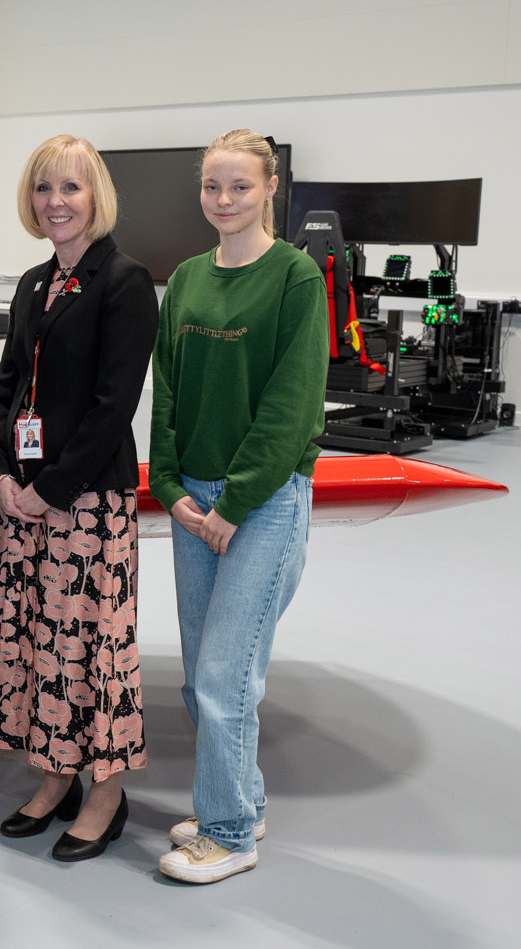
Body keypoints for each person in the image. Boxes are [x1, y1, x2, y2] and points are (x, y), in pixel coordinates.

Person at [149, 129, 328, 884]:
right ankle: (242, 803)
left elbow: (293, 403)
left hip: (265, 501)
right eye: (212, 187)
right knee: (202, 676)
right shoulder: (188, 277)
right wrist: (170, 488)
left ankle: (226, 834)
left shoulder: (295, 276)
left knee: (226, 675)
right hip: (194, 499)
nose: (224, 200)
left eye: (240, 186)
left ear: (271, 187)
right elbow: (166, 389)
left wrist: (238, 501)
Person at [0, 135, 157, 862]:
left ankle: (106, 792)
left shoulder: (125, 281)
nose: (56, 202)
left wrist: (48, 489)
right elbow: (6, 388)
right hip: (23, 501)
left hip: (86, 502)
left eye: (70, 188)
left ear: (95, 196)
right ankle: (55, 777)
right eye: (44, 188)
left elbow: (114, 406)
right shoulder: (32, 283)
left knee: (90, 648)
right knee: (38, 645)